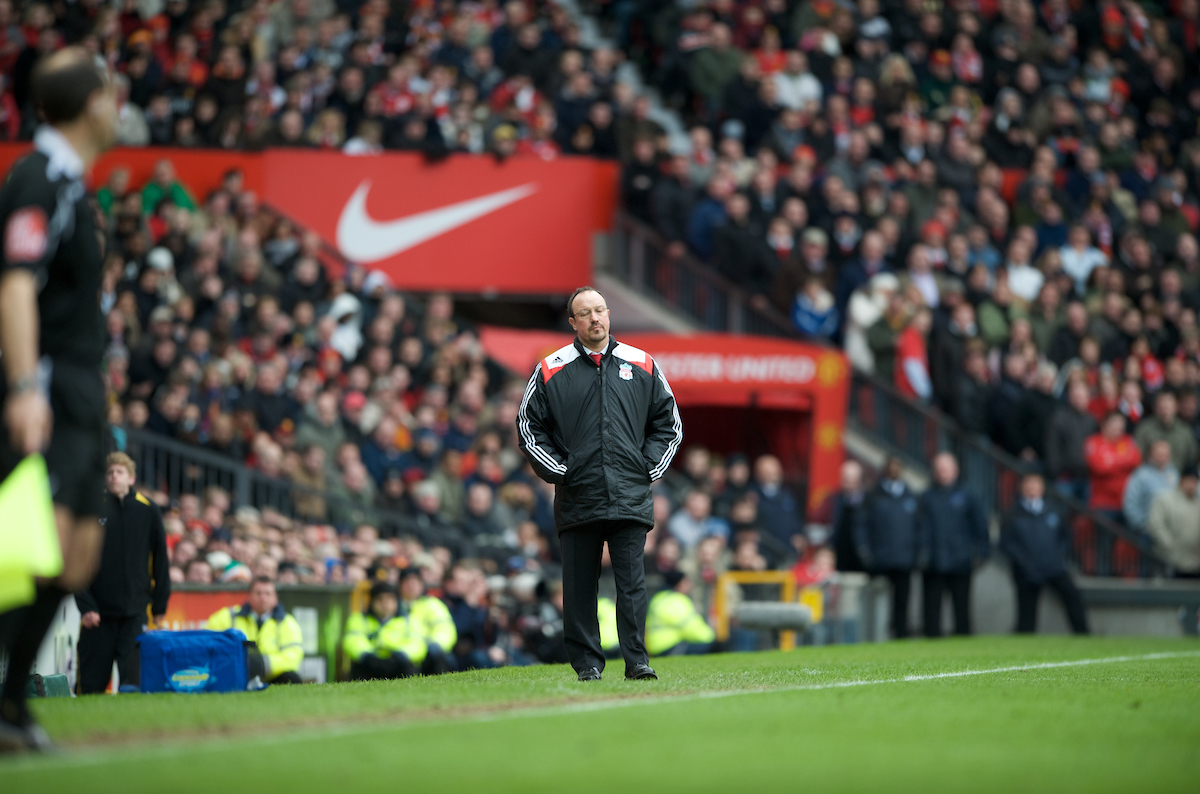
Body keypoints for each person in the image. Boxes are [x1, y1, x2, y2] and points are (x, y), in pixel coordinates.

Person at [0, 48, 119, 751]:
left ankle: (11, 706)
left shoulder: (71, 181)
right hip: (44, 386)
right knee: (34, 550)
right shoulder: (40, 178)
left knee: (75, 559)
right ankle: (11, 703)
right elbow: (14, 283)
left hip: (81, 389)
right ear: (93, 104)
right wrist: (22, 386)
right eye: (110, 93)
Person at [517, 286, 682, 682]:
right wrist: (562, 471)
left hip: (630, 494)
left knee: (632, 587)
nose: (595, 318)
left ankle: (638, 661)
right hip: (578, 497)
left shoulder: (642, 363)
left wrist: (647, 468)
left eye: (600, 310)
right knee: (578, 589)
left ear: (609, 315)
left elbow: (669, 423)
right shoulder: (550, 368)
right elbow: (528, 428)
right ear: (572, 323)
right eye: (585, 313)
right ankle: (588, 665)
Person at [75, 453, 170, 695]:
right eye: (109, 473)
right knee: (90, 687)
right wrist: (86, 606)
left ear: (131, 478)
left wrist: (160, 605)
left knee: (134, 686)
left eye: (119, 472)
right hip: (98, 615)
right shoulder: (92, 508)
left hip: (135, 614)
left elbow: (160, 559)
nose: (114, 477)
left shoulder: (148, 510)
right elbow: (77, 559)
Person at [1000, 473, 1089, 634]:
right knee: (1026, 617)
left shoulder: (1054, 510)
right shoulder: (1012, 514)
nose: (1032, 489)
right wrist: (1024, 562)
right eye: (1029, 485)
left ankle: (1084, 635)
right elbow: (1006, 543)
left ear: (1042, 488)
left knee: (1073, 598)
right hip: (1027, 571)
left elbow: (1066, 537)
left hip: (1053, 567)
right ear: (1021, 488)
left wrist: (1057, 557)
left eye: (1036, 484)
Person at [917, 453, 988, 637]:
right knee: (931, 612)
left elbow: (980, 525)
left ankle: (964, 647)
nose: (943, 473)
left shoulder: (968, 495)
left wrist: (982, 552)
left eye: (946, 469)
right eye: (939, 469)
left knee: (962, 610)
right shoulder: (926, 496)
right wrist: (922, 553)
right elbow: (920, 528)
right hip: (933, 562)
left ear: (955, 470)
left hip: (961, 561)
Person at [860, 458, 919, 639]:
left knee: (902, 601)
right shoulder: (873, 496)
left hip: (904, 558)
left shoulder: (911, 496)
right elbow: (862, 525)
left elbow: (920, 527)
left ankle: (900, 634)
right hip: (880, 559)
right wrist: (865, 550)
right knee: (877, 600)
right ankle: (874, 635)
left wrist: (918, 552)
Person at [206, 577, 304, 684]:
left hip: (271, 676)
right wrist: (237, 663)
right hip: (235, 673)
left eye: (268, 594)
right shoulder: (228, 616)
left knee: (292, 678)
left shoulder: (287, 622)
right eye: (258, 593)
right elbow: (207, 642)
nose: (263, 598)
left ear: (275, 598)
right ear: (249, 596)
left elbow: (293, 657)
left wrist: (261, 665)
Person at [342, 581, 424, 680]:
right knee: (358, 666)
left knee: (411, 667)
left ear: (396, 601)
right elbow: (352, 641)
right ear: (371, 602)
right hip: (370, 664)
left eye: (389, 599)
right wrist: (368, 656)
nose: (385, 604)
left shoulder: (409, 620)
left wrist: (401, 655)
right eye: (380, 599)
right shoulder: (359, 619)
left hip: (399, 663)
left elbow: (417, 644)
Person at [397, 567, 456, 675]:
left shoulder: (432, 604)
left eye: (415, 582)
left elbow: (445, 629)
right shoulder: (392, 606)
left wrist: (436, 645)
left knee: (441, 658)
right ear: (400, 585)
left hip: (429, 652)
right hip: (402, 653)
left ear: (421, 584)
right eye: (407, 582)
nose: (411, 586)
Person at [1146, 466, 1200, 578]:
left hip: (1194, 563)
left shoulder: (1197, 504)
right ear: (1181, 481)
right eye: (1189, 480)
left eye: (1195, 481)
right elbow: (1156, 525)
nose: (1192, 485)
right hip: (1169, 561)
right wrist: (1170, 546)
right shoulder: (1165, 500)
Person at [645, 571, 715, 656]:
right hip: (670, 647)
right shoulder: (677, 600)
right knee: (713, 647)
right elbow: (691, 627)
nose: (690, 585)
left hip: (655, 647)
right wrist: (711, 638)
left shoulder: (657, 598)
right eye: (686, 582)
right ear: (679, 584)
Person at [1133, 392, 1198, 473]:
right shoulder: (1144, 429)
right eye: (1161, 407)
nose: (1164, 410)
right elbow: (1137, 458)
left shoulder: (1185, 431)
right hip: (1151, 478)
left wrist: (1188, 476)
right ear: (1155, 408)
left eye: (1168, 407)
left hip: (1180, 479)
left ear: (1176, 407)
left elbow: (1192, 459)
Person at [1122, 440, 1178, 533]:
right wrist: (1143, 525)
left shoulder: (1173, 473)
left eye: (1166, 454)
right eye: (1160, 454)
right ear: (1151, 455)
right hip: (1146, 531)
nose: (1163, 457)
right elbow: (1130, 504)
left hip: (1170, 530)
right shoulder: (1140, 475)